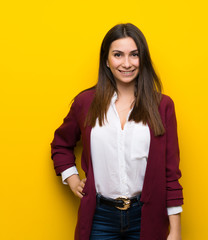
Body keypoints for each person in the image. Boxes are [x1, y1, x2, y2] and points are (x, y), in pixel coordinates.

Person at [51, 23, 183, 240]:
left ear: (143, 59)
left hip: (146, 217)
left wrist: (175, 229)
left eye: (134, 55)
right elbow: (60, 144)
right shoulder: (86, 103)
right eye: (118, 55)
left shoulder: (162, 106)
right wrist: (72, 178)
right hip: (100, 218)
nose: (127, 63)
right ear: (106, 60)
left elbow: (171, 174)